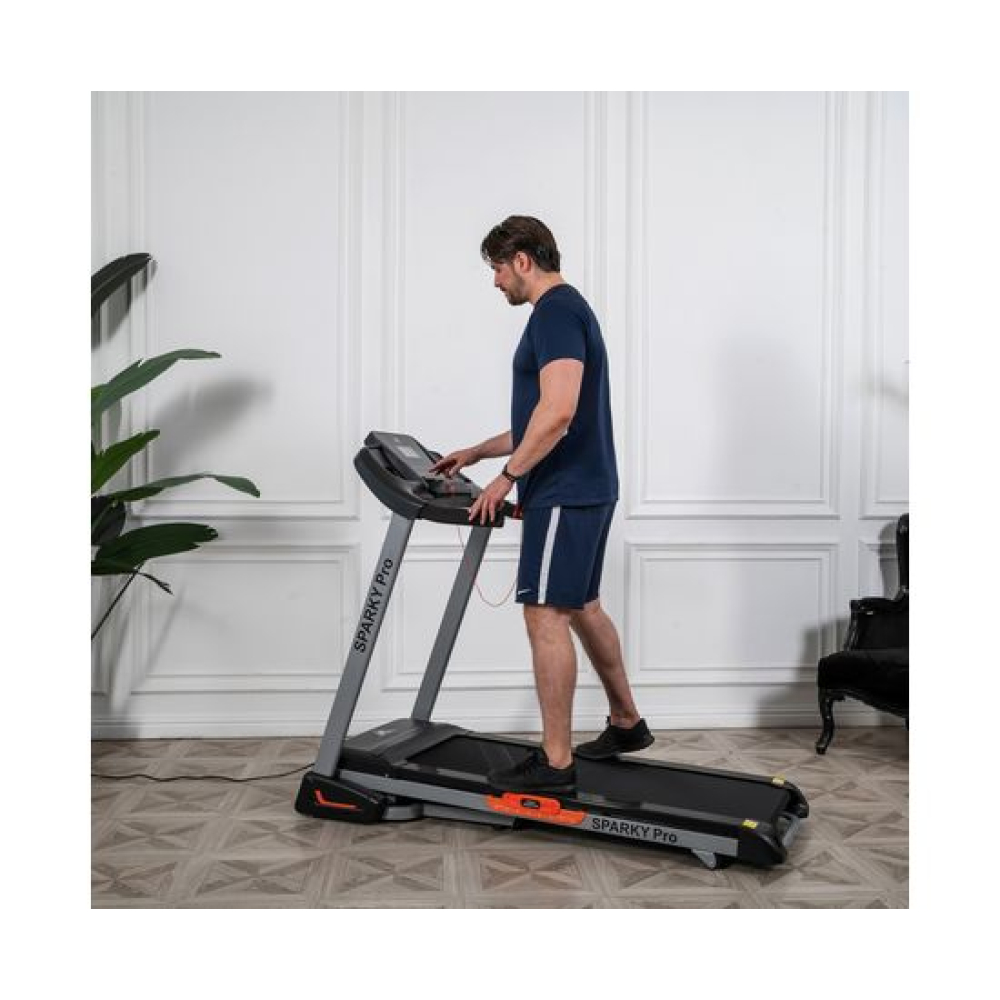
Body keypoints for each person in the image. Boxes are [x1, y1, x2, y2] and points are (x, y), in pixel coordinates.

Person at [429, 215, 653, 793]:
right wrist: (479, 451)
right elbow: (541, 418)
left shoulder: (553, 314)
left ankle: (555, 764)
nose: (496, 281)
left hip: (564, 491)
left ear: (523, 260)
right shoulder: (570, 311)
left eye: (497, 268)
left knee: (546, 614)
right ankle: (626, 722)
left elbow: (558, 412)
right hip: (588, 485)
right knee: (582, 606)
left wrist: (506, 478)